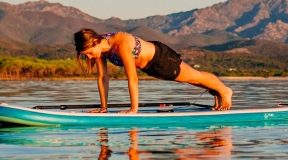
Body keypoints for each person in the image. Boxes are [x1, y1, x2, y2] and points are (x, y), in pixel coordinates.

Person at [74, 28, 233, 113]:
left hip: (161, 58)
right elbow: (102, 78)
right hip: (149, 67)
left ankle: (225, 91)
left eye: (88, 52)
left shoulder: (119, 43)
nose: (89, 56)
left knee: (194, 76)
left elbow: (132, 78)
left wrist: (133, 109)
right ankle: (218, 92)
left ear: (95, 41)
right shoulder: (100, 49)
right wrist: (103, 108)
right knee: (190, 80)